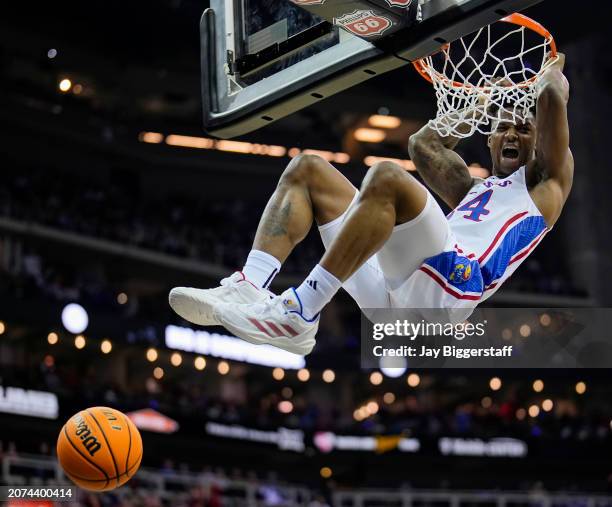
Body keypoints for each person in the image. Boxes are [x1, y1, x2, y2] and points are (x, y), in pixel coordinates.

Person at [169, 54, 572, 356]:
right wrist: (485, 100)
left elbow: (552, 95)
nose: (512, 134)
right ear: (489, 139)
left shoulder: (546, 185)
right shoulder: (471, 190)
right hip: (393, 294)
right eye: (503, 126)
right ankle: (249, 287)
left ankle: (301, 311)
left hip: (450, 290)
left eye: (524, 128)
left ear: (538, 142)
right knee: (307, 170)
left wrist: (549, 71)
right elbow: (423, 145)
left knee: (386, 178)